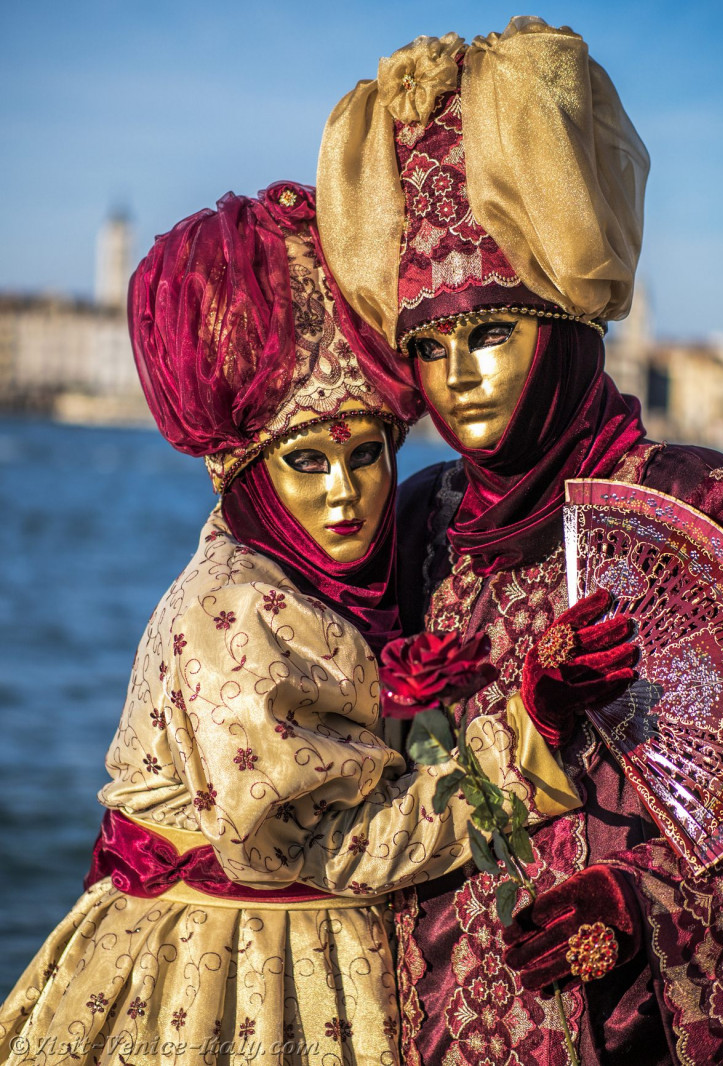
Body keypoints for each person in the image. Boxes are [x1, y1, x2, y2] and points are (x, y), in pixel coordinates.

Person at [0, 182, 577, 1066]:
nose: (346, 494)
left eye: (368, 454)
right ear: (248, 471)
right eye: (307, 462)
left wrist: (379, 684)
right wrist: (525, 753)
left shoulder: (301, 583)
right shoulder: (233, 611)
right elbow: (333, 843)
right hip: (238, 982)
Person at [317, 17, 723, 1065]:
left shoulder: (688, 501)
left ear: (565, 319)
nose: (462, 378)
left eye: (492, 331)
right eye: (428, 346)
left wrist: (642, 911)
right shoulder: (417, 519)